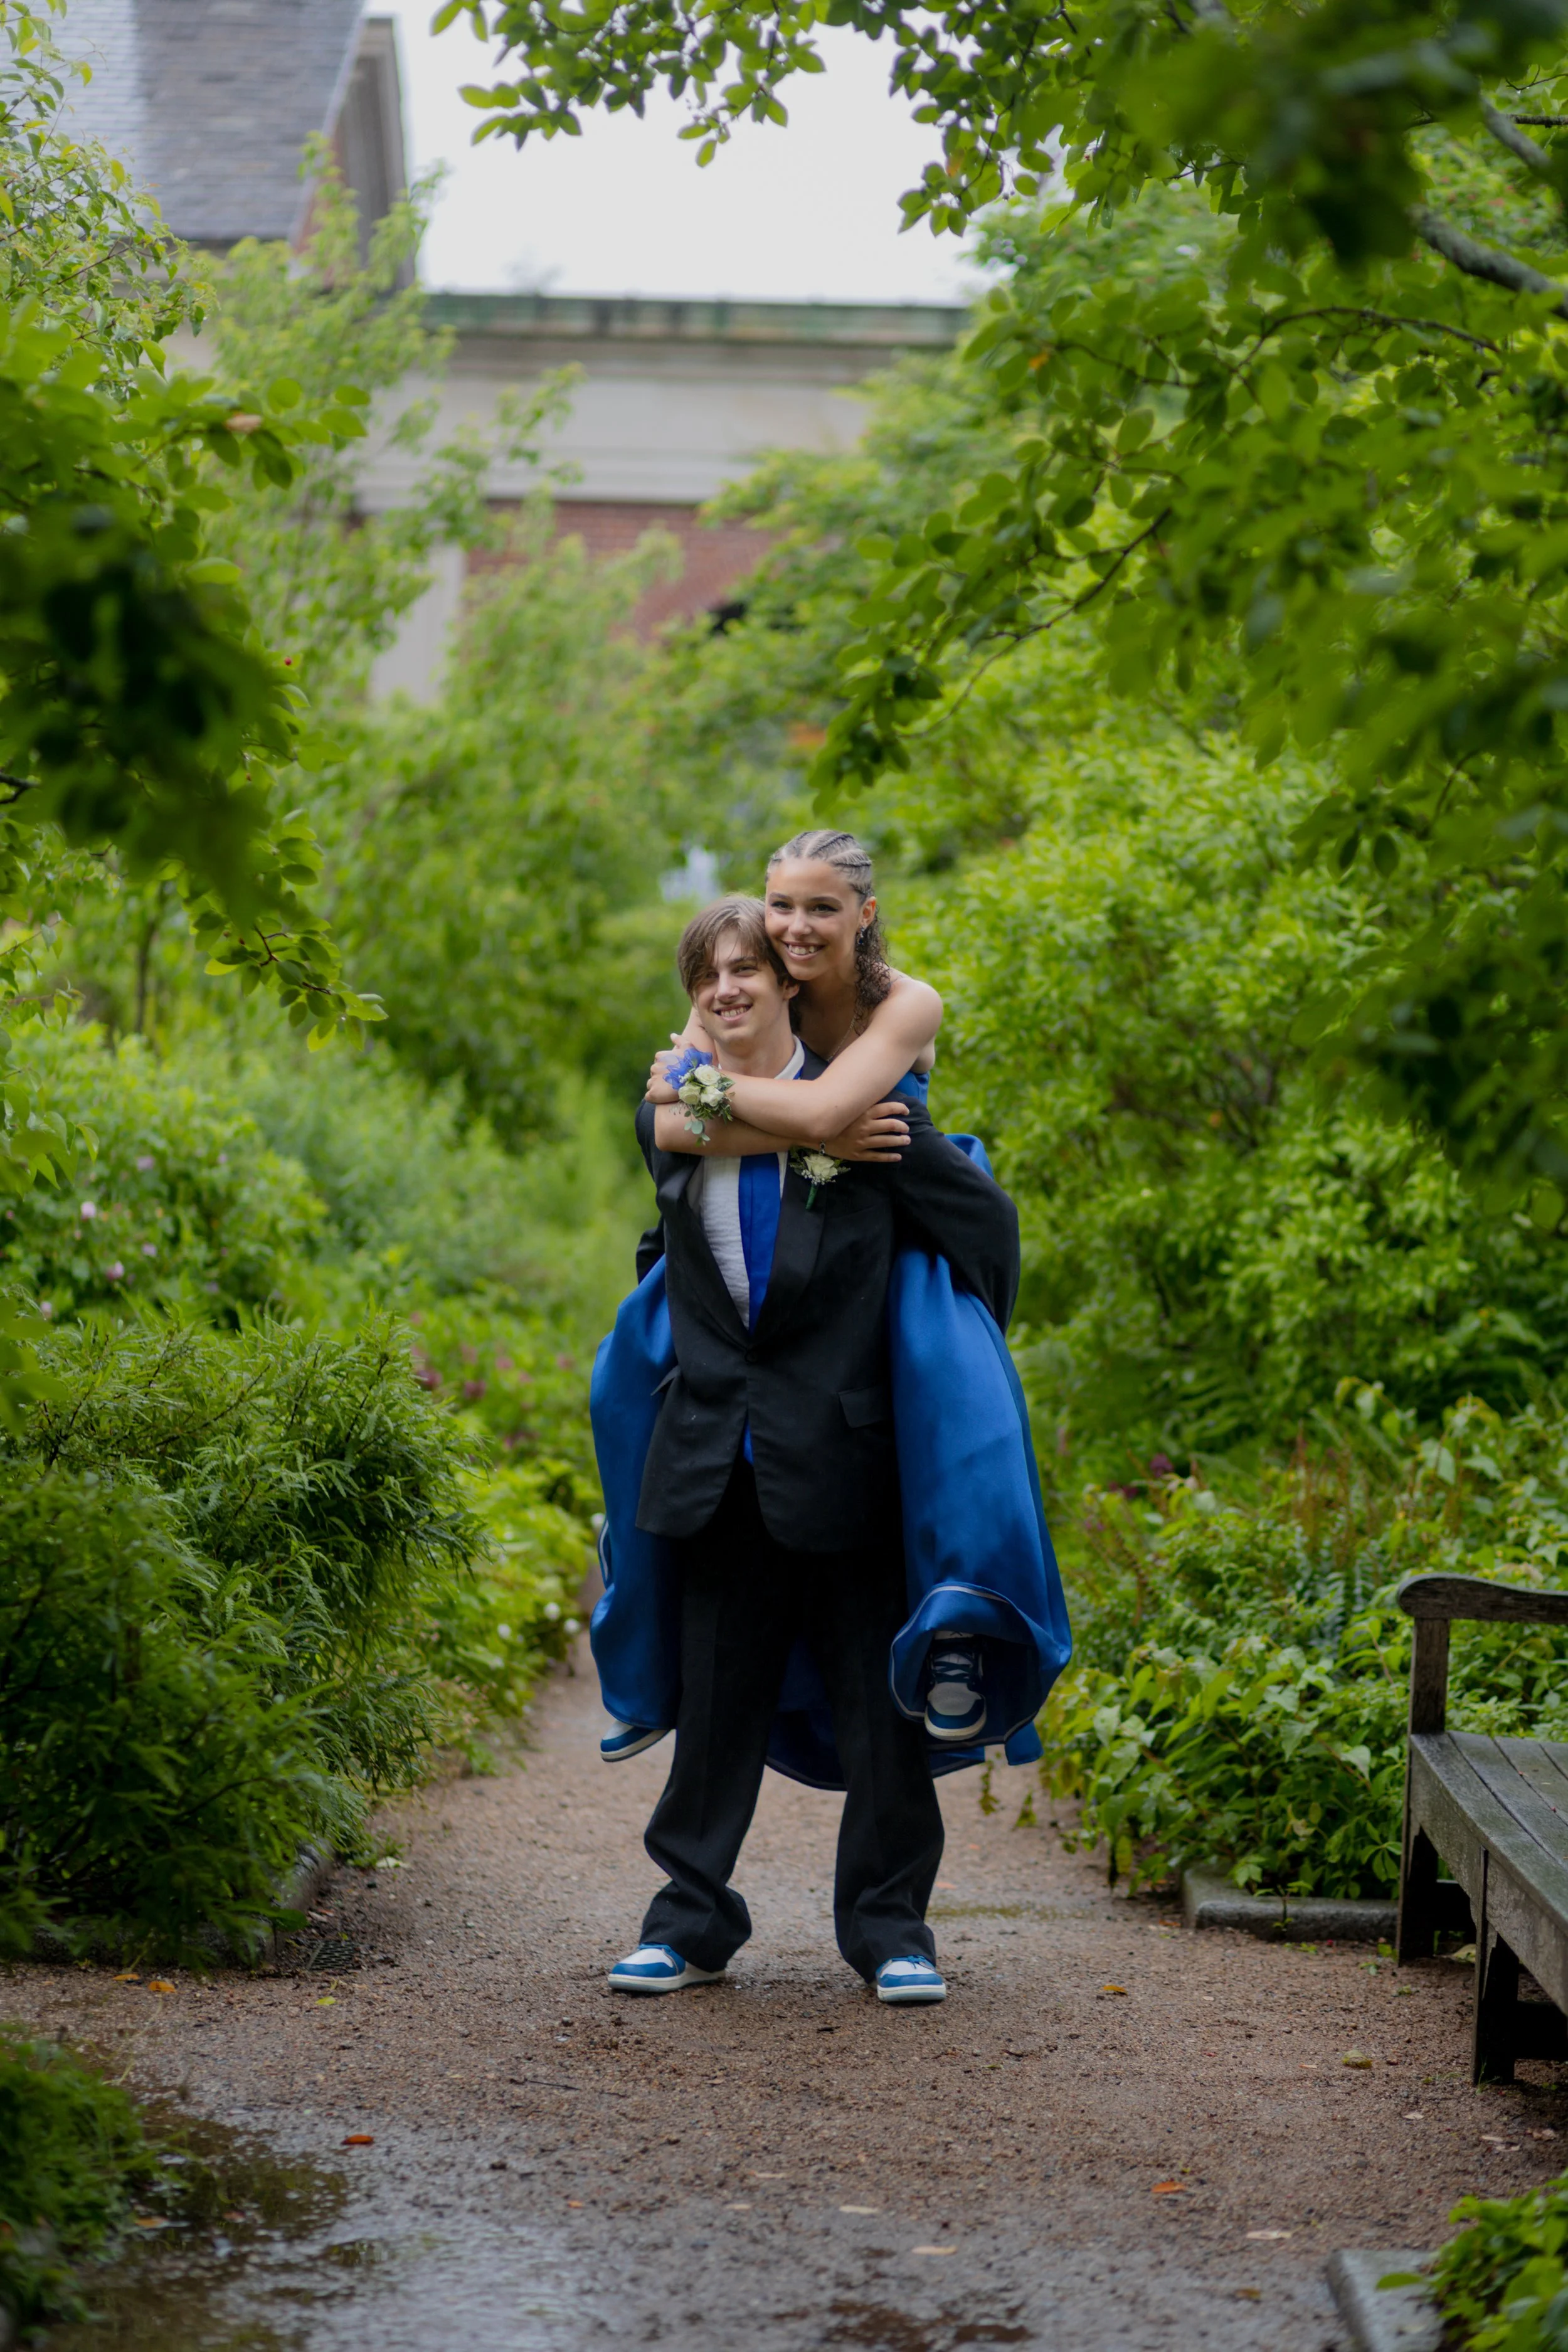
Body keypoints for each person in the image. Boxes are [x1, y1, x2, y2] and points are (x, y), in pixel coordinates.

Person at [603, 894, 1021, 2008]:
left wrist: (960, 1364)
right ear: (693, 1000)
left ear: (788, 985)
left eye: (749, 969)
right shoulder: (678, 1119)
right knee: (716, 1704)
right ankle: (688, 1925)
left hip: (847, 1458)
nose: (729, 988)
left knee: (875, 1713)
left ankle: (892, 1932)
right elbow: (661, 1255)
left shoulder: (879, 1119)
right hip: (714, 1457)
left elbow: (985, 1228)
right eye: (708, 978)